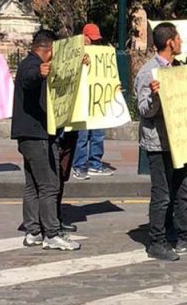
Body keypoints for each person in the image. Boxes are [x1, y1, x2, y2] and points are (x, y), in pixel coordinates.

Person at [135, 22, 187, 261]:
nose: (180, 43)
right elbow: (144, 110)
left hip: (181, 139)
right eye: (178, 39)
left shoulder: (180, 68)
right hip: (158, 143)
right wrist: (156, 96)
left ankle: (185, 234)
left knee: (183, 190)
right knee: (162, 194)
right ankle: (157, 240)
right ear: (170, 41)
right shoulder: (148, 72)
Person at [12, 30, 80, 251]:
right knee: (50, 184)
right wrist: (40, 74)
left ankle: (33, 231)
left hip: (31, 134)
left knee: (33, 185)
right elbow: (29, 78)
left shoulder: (30, 63)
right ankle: (51, 232)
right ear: (48, 50)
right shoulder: (30, 66)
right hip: (37, 135)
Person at [71, 23, 116, 180]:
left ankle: (95, 164)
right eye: (91, 39)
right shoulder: (75, 52)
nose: (93, 42)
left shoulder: (98, 53)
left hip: (97, 100)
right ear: (84, 36)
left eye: (95, 40)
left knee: (98, 134)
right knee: (82, 136)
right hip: (82, 101)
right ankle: (79, 165)